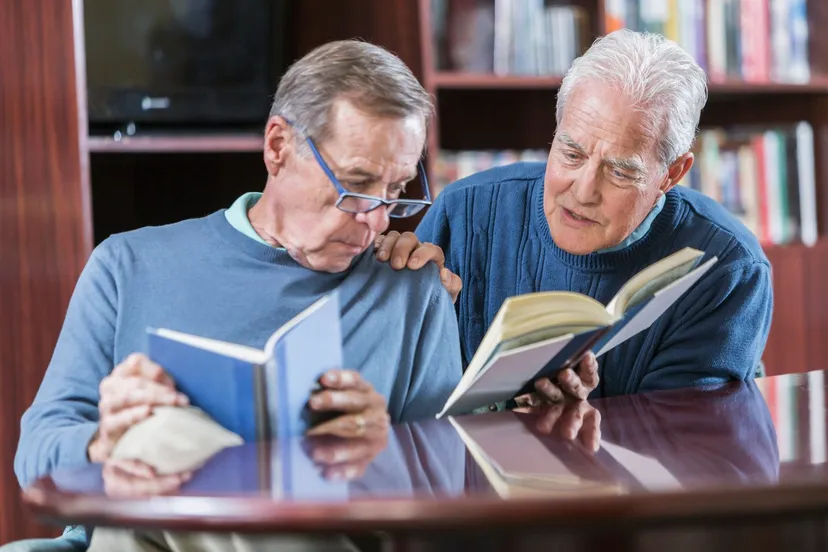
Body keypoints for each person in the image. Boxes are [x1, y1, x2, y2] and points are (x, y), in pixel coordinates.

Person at [6, 39, 462, 551]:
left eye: (396, 191)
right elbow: (36, 459)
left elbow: (450, 508)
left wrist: (380, 461)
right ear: (277, 147)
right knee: (146, 453)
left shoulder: (411, 290)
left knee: (157, 442)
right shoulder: (128, 265)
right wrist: (101, 445)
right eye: (356, 185)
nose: (376, 219)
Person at [377, 29, 773, 402]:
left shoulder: (726, 267)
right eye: (571, 154)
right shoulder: (466, 212)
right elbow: (397, 390)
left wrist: (576, 430)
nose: (582, 192)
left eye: (620, 171)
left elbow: (685, 452)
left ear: (671, 174)